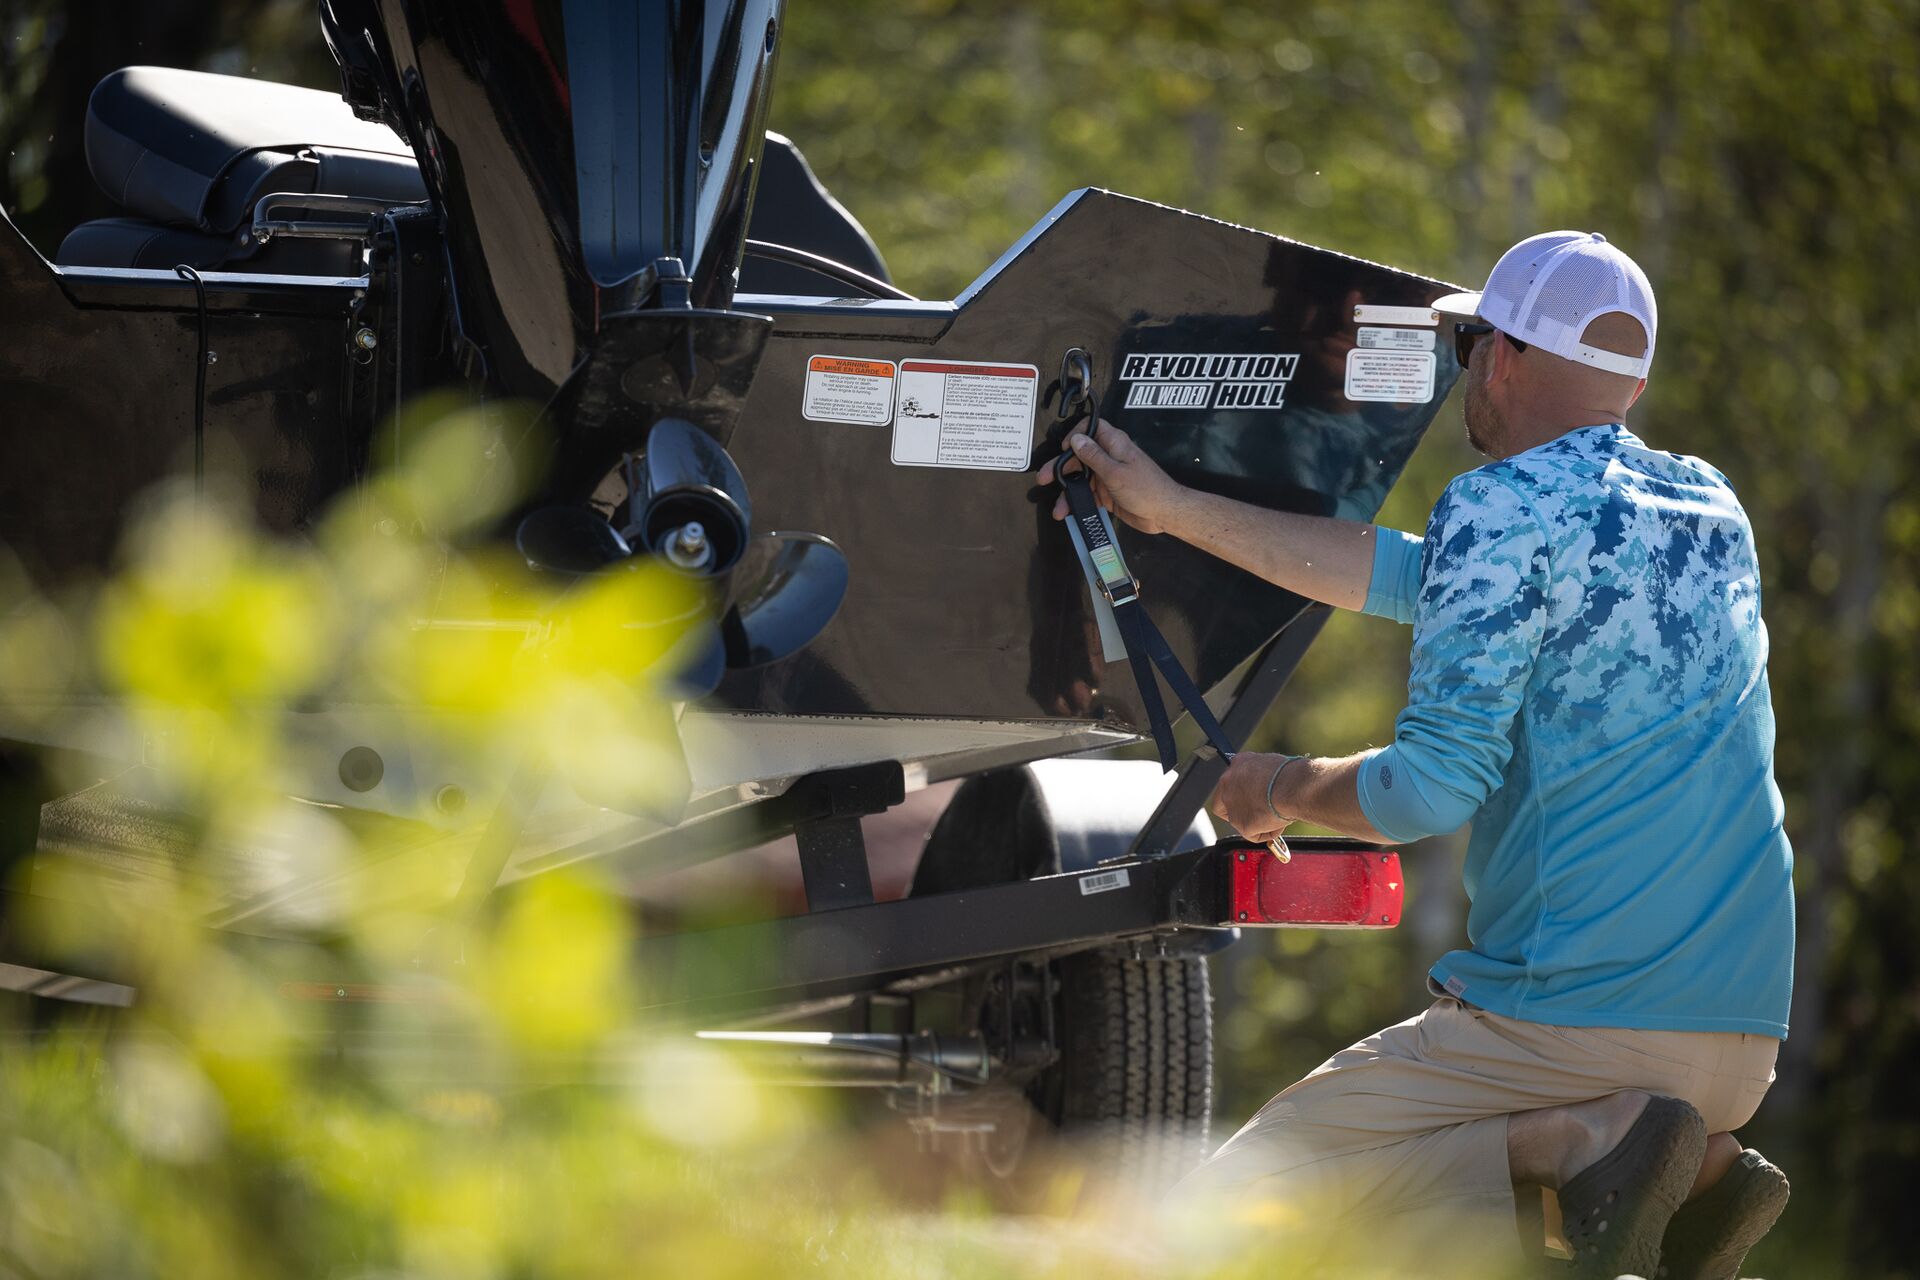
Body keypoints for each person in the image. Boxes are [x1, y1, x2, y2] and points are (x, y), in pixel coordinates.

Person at [1040, 231, 1794, 1279]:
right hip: (1741, 1041)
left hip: (1575, 1024)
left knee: (1220, 1213)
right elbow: (1411, 574)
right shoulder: (1709, 508)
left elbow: (1424, 790)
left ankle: (1574, 1142)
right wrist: (1173, 510)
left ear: (1501, 354)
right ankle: (1698, 1168)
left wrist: (1274, 787)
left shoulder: (1502, 504)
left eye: (1464, 346)